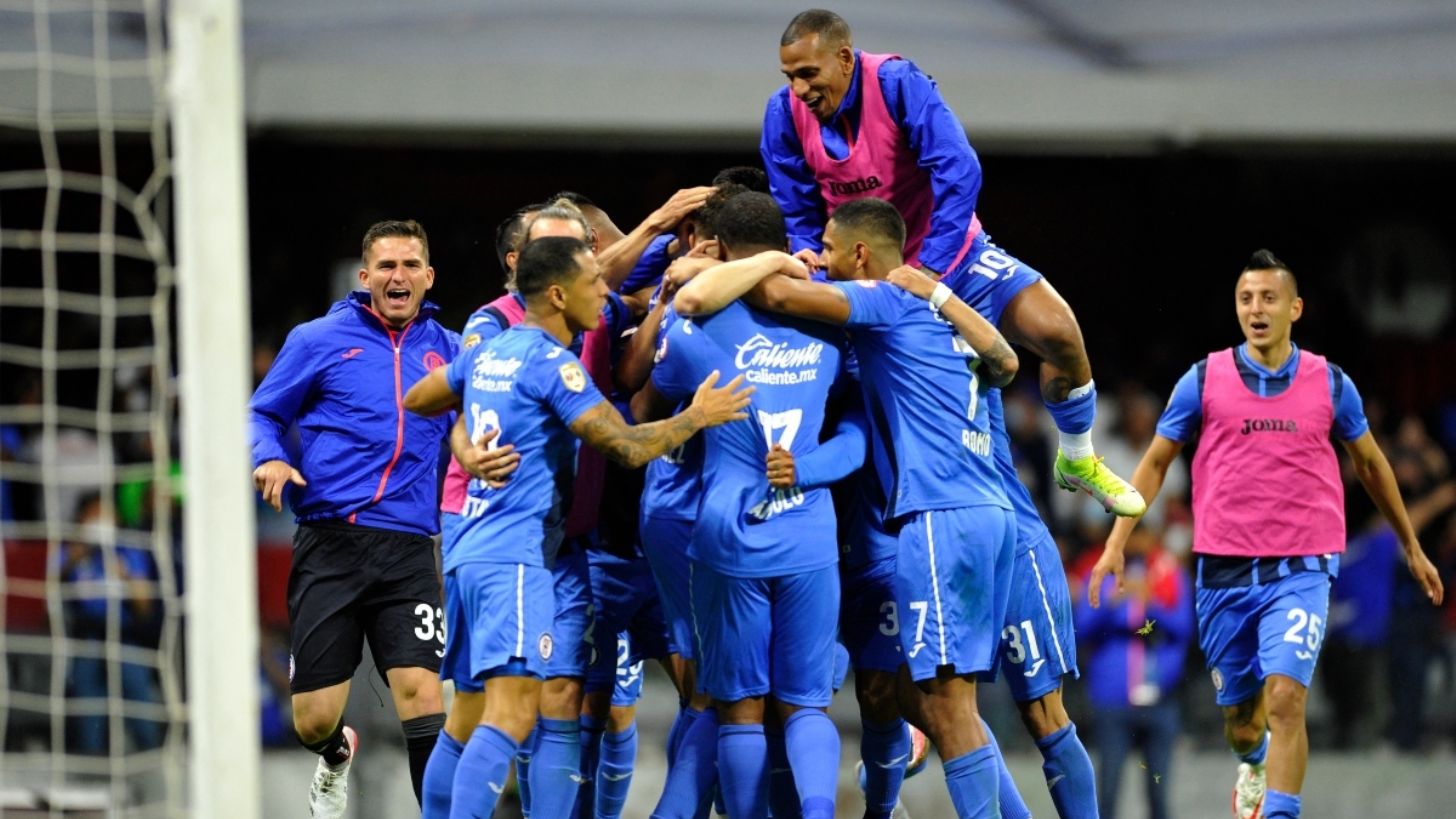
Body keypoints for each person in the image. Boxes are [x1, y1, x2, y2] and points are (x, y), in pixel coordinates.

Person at [675, 195, 1019, 818]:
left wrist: (761, 261)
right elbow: (1007, 361)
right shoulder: (944, 314)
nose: (820, 260)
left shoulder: (882, 300)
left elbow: (765, 296)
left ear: (861, 254)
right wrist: (941, 293)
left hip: (933, 516)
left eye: (829, 250)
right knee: (939, 701)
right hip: (992, 512)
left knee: (942, 707)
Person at [1088, 250, 1446, 819]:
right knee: (1243, 722)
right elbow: (1155, 462)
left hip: (1301, 567)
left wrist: (1411, 544)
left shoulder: (1331, 383)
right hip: (1223, 571)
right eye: (1246, 299)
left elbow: (1372, 464)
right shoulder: (1202, 380)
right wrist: (1115, 543)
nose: (1256, 308)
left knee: (1285, 698)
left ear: (1294, 308)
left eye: (1268, 298)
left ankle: (1280, 812)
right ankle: (1252, 762)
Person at [403, 235, 752, 819]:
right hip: (515, 557)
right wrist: (697, 416)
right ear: (559, 295)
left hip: (468, 552)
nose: (603, 292)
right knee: (513, 715)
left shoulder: (491, 352)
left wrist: (465, 445)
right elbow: (626, 447)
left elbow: (419, 397)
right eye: (593, 282)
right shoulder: (552, 364)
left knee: (466, 716)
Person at [762, 8, 1144, 518]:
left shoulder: (896, 84)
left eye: (809, 74)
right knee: (867, 414)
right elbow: (797, 210)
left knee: (1058, 330)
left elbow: (959, 168)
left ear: (845, 58)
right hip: (876, 286)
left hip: (950, 260)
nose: (800, 89)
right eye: (790, 76)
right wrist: (812, 264)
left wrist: (930, 269)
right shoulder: (783, 114)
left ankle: (1076, 457)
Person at [634, 192, 850, 819]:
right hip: (809, 529)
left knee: (736, 707)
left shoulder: (697, 328)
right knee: (806, 705)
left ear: (719, 248)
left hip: (729, 532)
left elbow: (649, 395)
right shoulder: (830, 318)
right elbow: (855, 429)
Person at [249, 219, 456, 817]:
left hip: (410, 548)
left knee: (422, 694)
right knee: (313, 720)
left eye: (410, 265)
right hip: (329, 543)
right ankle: (336, 753)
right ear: (365, 277)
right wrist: (269, 458)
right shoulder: (317, 339)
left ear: (428, 276)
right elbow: (262, 414)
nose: (399, 275)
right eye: (387, 266)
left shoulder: (452, 348)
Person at [1074, 525, 1192, 819]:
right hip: (1112, 701)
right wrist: (1112, 601)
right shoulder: (1100, 575)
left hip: (1160, 700)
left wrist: (1151, 603)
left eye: (1141, 535)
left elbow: (1184, 628)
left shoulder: (1169, 574)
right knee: (1108, 789)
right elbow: (1081, 629)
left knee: (1158, 794)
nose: (1136, 543)